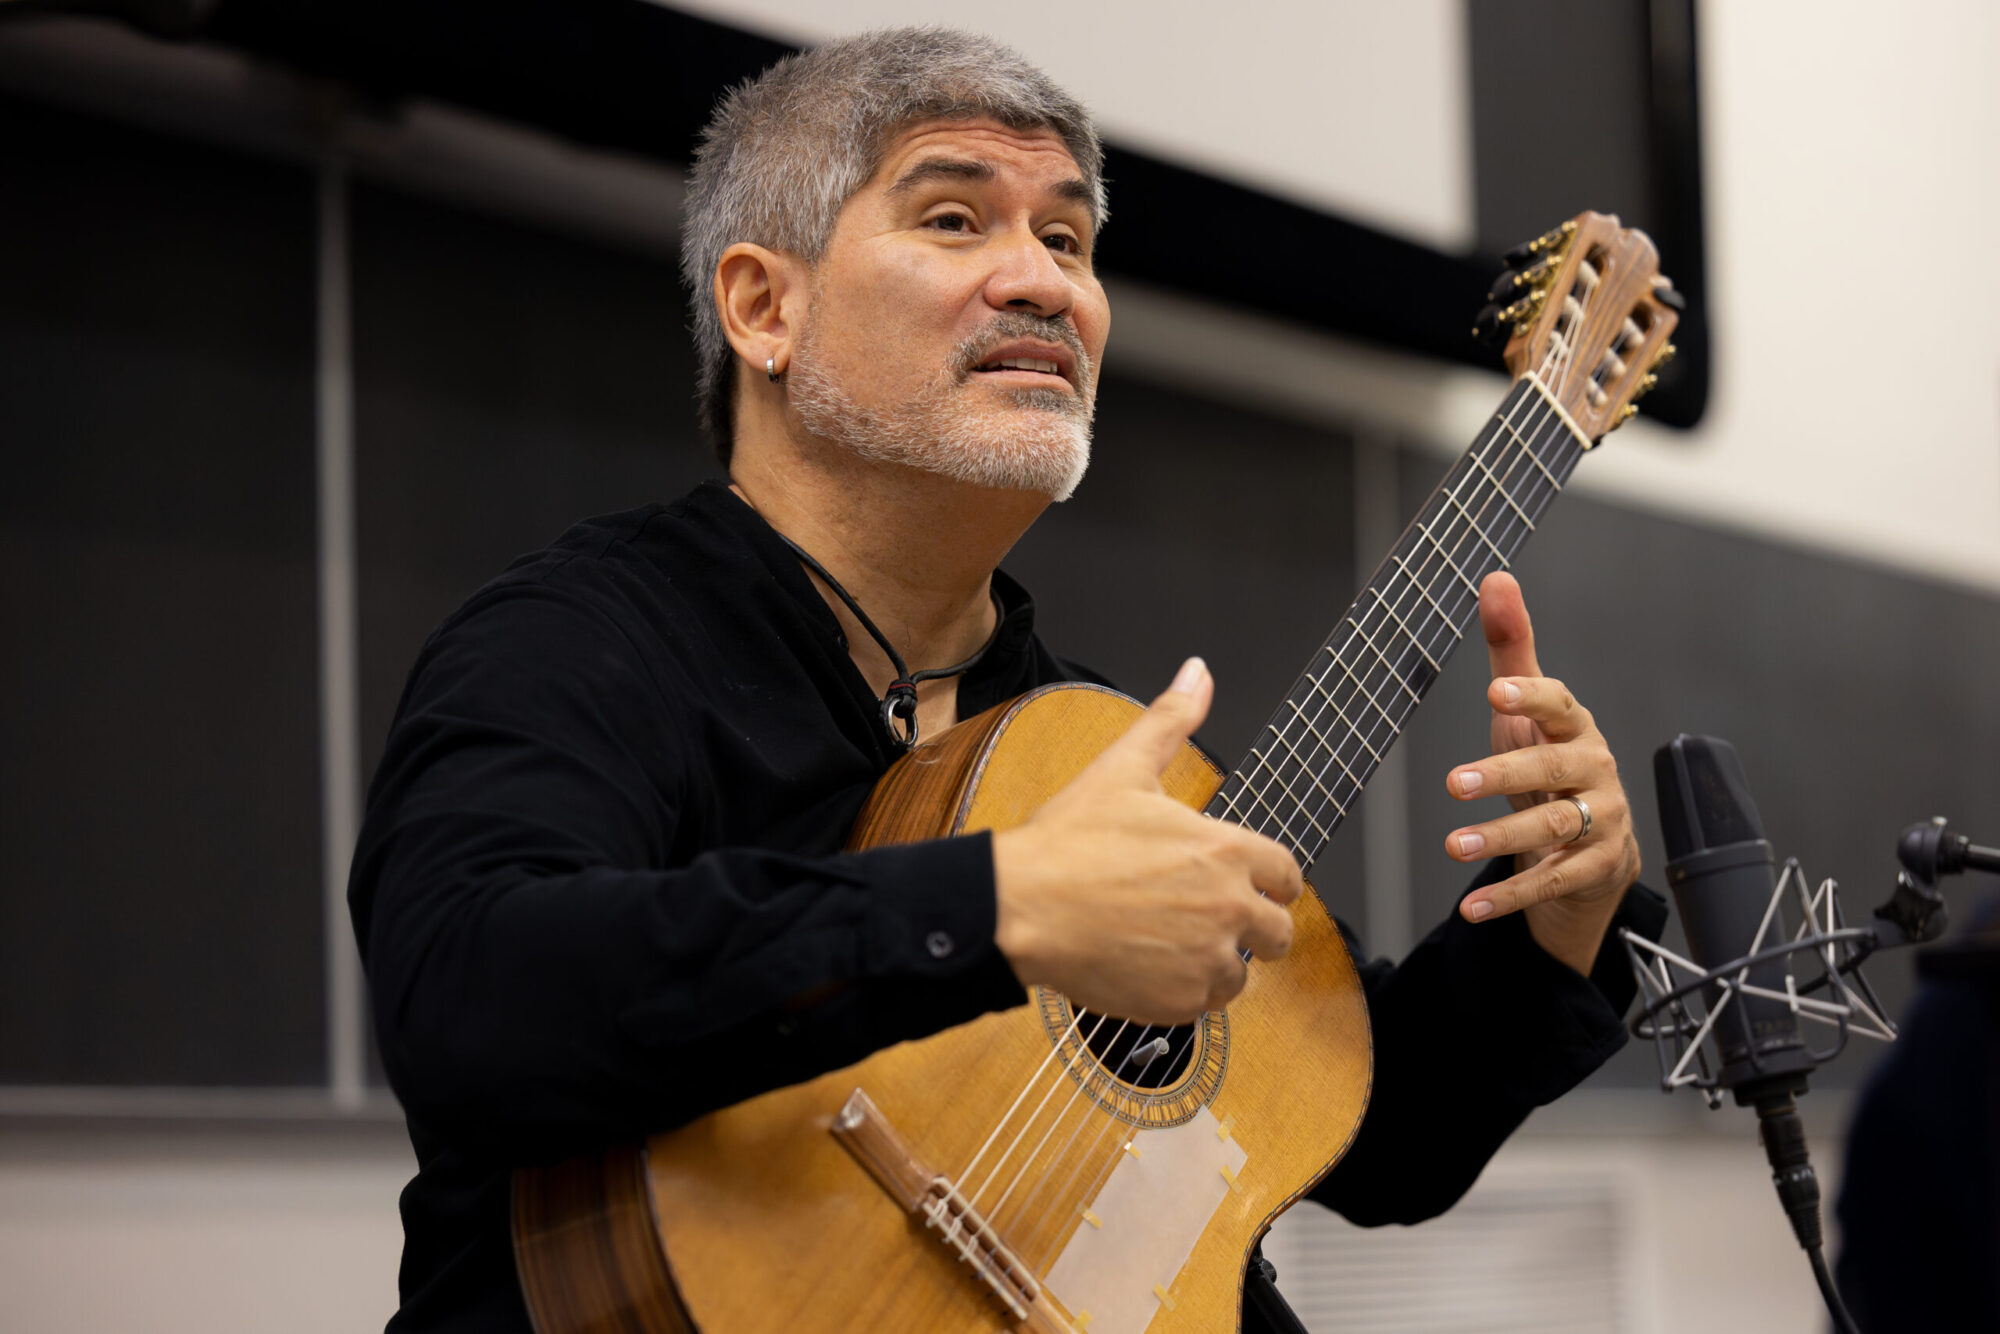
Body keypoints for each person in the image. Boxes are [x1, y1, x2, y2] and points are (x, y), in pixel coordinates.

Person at [349, 28, 1664, 1334]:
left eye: (1071, 241)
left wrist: (1562, 905)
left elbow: (1365, 1134)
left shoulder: (1086, 737)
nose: (1041, 281)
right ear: (764, 308)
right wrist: (1002, 901)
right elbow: (473, 995)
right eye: (955, 217)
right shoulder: (578, 638)